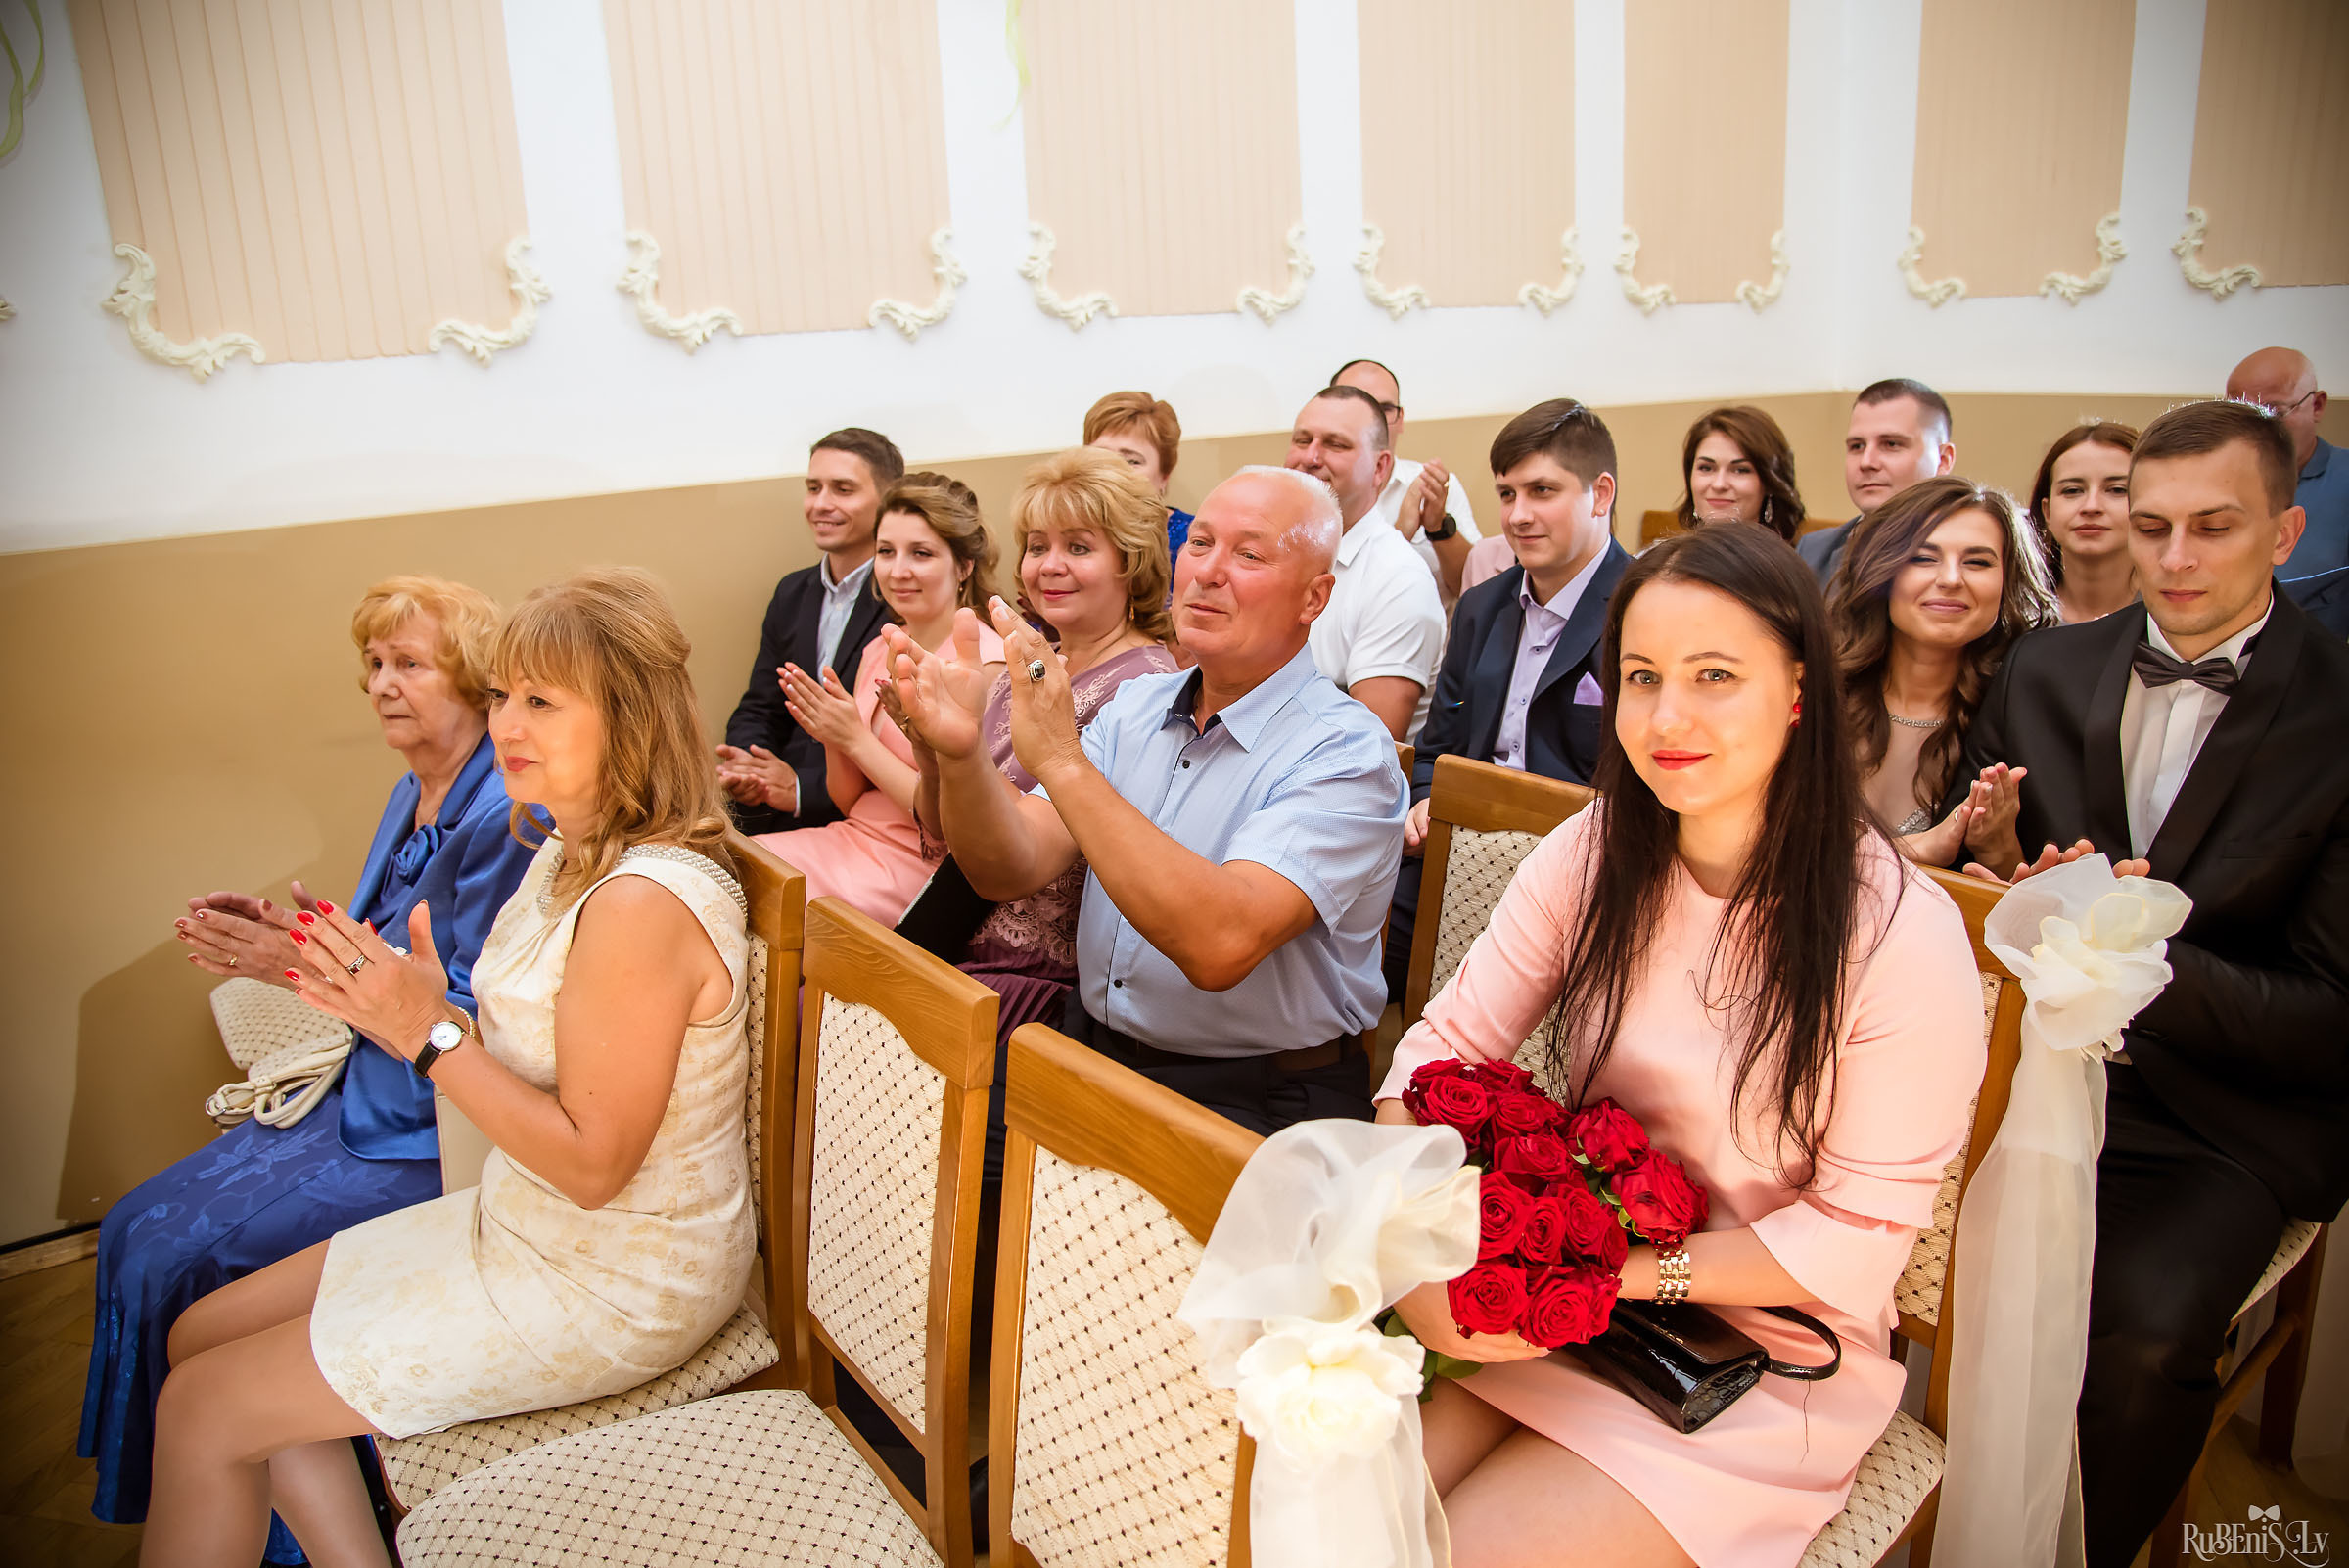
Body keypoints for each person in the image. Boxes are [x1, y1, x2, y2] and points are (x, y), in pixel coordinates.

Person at [1382, 523, 1985, 1568]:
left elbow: (1852, 1240)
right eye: (1642, 677)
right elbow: (1444, 1047)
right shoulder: (1598, 847)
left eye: (1715, 676)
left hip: (1758, 1350)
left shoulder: (1897, 932)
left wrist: (1592, 1273)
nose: (1667, 720)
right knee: (1338, 1511)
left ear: (1798, 687)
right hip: (1563, 1303)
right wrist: (1426, 1225)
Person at [138, 569, 757, 1568]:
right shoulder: (562, 848)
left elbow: (595, 1166)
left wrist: (427, 1032)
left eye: (542, 700)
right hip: (525, 1221)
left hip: (615, 1279)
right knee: (200, 1334)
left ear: (630, 717)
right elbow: (520, 1045)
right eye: (505, 693)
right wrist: (409, 1004)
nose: (506, 720)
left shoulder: (640, 903)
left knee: (204, 1407)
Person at [1945, 399, 2349, 1568]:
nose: (2171, 560)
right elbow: (1992, 883)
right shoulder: (2044, 669)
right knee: (1872, 1262)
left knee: (2131, 1341)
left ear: (2283, 532)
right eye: (2152, 523)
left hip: (2226, 1120)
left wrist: (2135, 959)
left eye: (2213, 527)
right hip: (2028, 1075)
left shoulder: (2338, 712)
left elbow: (2331, 1020)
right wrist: (2008, 870)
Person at [81, 576, 535, 1568]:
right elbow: (375, 942)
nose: (382, 685)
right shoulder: (408, 788)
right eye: (374, 665)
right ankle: (213, 1495)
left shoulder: (503, 813)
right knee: (134, 1227)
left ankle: (251, 1504)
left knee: (184, 1257)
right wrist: (285, 934)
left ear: (470, 680)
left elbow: (450, 1011)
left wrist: (290, 963)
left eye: (409, 664)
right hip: (365, 1087)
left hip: (432, 1118)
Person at [888, 466, 1405, 1136]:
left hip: (1257, 1091)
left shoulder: (1346, 752)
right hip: (1094, 1049)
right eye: (1200, 545)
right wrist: (959, 757)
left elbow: (1220, 943)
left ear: (1314, 598)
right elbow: (1009, 865)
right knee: (939, 1171)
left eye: (1248, 555)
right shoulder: (1139, 708)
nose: (1209, 573)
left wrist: (1062, 759)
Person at [906, 448, 1181, 1049]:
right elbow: (942, 832)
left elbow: (1029, 865)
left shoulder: (1145, 689)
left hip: (1040, 983)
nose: (1049, 566)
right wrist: (931, 751)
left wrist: (961, 757)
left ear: (1130, 564)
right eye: (1037, 546)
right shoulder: (1029, 663)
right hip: (958, 937)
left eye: (1079, 548)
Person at [1386, 399, 1632, 1001]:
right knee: (1340, 928)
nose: (1518, 516)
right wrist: (1423, 802)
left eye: (1542, 491)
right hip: (1460, 851)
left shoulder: (1643, 608)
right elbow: (1435, 751)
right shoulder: (1482, 606)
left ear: (1601, 494)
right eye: (1506, 494)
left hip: (1583, 869)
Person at [757, 474, 1003, 926]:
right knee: (726, 865)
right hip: (853, 836)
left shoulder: (985, 665)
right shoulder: (880, 648)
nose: (898, 570)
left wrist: (855, 739)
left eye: (921, 554)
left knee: (756, 893)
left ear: (964, 566)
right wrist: (832, 731)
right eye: (886, 552)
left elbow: (951, 826)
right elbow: (849, 801)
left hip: (925, 867)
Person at [1829, 477, 2055, 866]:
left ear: (2007, 582)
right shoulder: (1814, 691)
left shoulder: (2030, 720)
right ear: (1882, 571)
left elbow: (2018, 899)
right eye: (1923, 558)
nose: (1951, 579)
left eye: (1977, 562)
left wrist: (1997, 849)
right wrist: (1919, 850)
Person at [716, 427, 901, 834]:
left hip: (856, 812)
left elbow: (900, 747)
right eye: (813, 487)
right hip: (770, 805)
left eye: (842, 489)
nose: (821, 504)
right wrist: (752, 766)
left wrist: (801, 789)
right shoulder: (791, 592)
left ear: (888, 500)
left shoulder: (904, 598)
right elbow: (760, 705)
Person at [1285, 385, 1447, 741]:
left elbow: (1366, 749)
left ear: (1380, 467)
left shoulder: (1398, 579)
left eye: (1335, 444)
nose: (1310, 456)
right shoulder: (1278, 551)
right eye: (1301, 440)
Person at [1331, 358, 1485, 599]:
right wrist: (1400, 535)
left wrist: (1438, 528)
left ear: (1400, 419)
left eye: (1385, 409)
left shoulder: (1435, 486)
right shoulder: (1313, 495)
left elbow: (1473, 591)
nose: (1375, 421)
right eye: (1359, 406)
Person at [1799, 379, 1958, 586]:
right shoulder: (1813, 550)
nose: (1867, 462)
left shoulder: (1972, 552)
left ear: (1943, 460)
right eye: (1857, 446)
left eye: (1891, 444)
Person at [2226, 347, 2346, 578]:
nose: (2256, 428)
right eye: (2240, 412)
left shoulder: (2343, 479)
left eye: (2274, 412)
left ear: (2317, 406)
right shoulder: (2213, 480)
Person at [2027, 421, 2140, 623]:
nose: (2091, 506)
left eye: (2117, 490)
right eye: (2072, 491)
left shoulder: (2169, 615)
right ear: (2047, 511)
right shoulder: (2015, 618)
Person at [1082, 390, 1194, 564]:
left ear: (1164, 476)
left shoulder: (1193, 539)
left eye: (1132, 461)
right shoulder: (1060, 531)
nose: (1114, 470)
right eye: (1100, 456)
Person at [1673, 404, 1808, 542]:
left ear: (1770, 482)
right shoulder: (1667, 560)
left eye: (1740, 470)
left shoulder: (1797, 560)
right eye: (1706, 468)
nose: (1719, 484)